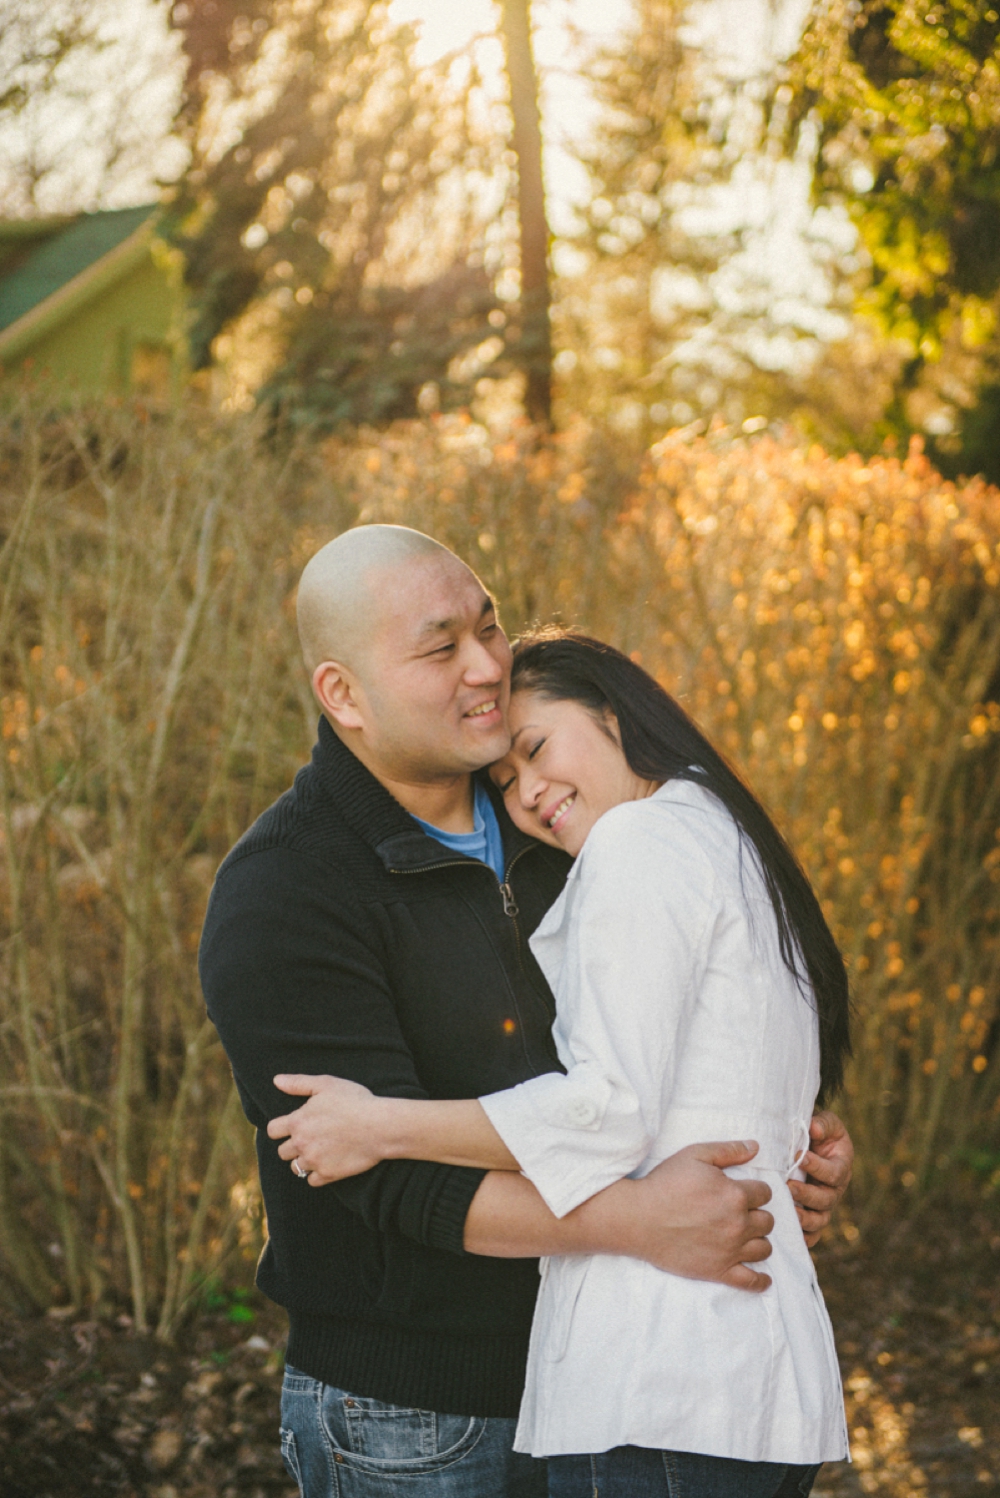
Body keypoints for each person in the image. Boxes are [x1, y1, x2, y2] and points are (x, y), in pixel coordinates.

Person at [200, 526, 854, 1498]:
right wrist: (637, 1220)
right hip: (416, 1412)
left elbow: (682, 1029)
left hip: (608, 1369)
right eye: (439, 646)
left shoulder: (577, 827)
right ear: (343, 693)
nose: (485, 666)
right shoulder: (286, 890)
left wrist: (775, 1130)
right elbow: (382, 1181)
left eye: (489, 625)